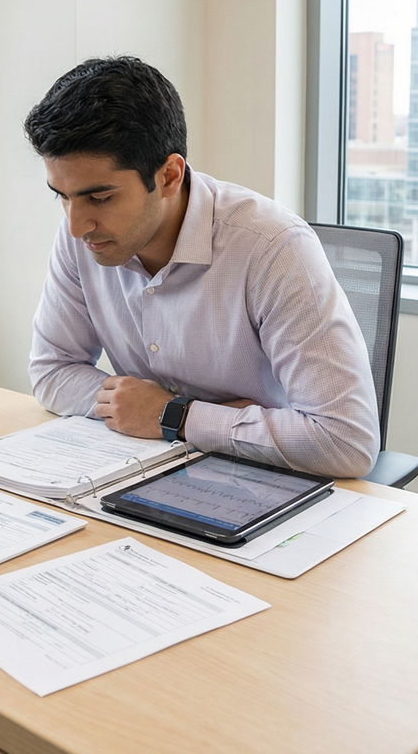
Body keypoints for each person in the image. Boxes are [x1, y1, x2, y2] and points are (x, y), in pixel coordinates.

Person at [24, 56, 380, 479]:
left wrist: (175, 416)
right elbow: (51, 370)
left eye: (100, 198)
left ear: (170, 176)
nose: (75, 224)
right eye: (61, 196)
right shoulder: (83, 234)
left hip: (266, 479)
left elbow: (344, 439)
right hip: (150, 470)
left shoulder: (274, 248)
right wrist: (149, 410)